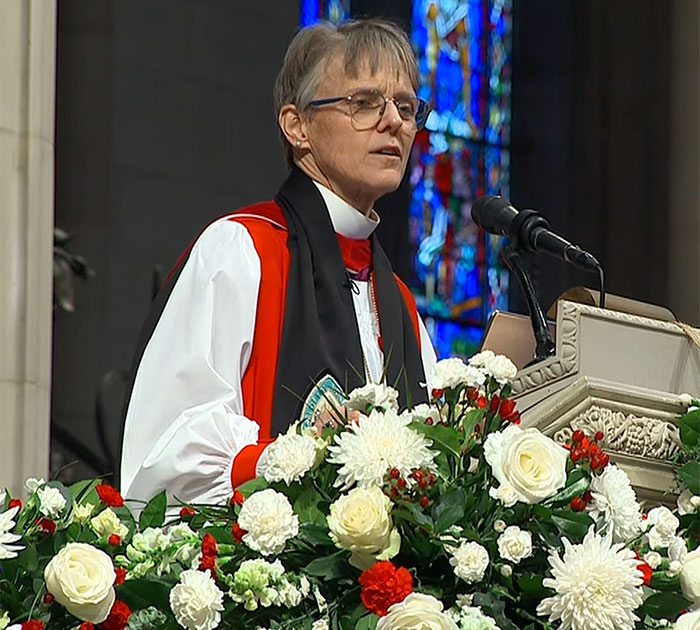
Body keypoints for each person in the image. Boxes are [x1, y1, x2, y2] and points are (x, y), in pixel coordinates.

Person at [119, 18, 437, 506]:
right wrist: (292, 462)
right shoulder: (240, 252)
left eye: (406, 106)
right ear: (297, 126)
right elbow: (167, 452)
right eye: (365, 103)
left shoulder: (401, 306)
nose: (393, 121)